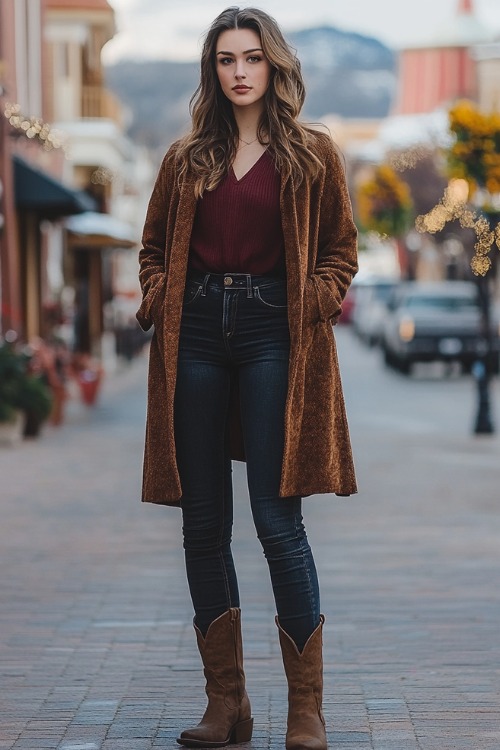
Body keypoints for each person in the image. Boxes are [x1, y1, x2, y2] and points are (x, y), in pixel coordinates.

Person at [136, 7, 358, 750]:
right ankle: (226, 706)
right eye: (227, 59)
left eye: (252, 58)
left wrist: (312, 302)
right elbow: (152, 250)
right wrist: (163, 297)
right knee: (205, 525)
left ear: (275, 67)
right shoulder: (184, 158)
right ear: (213, 69)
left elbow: (339, 253)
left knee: (276, 522)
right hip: (194, 332)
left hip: (274, 334)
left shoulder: (313, 155)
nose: (239, 71)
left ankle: (306, 711)